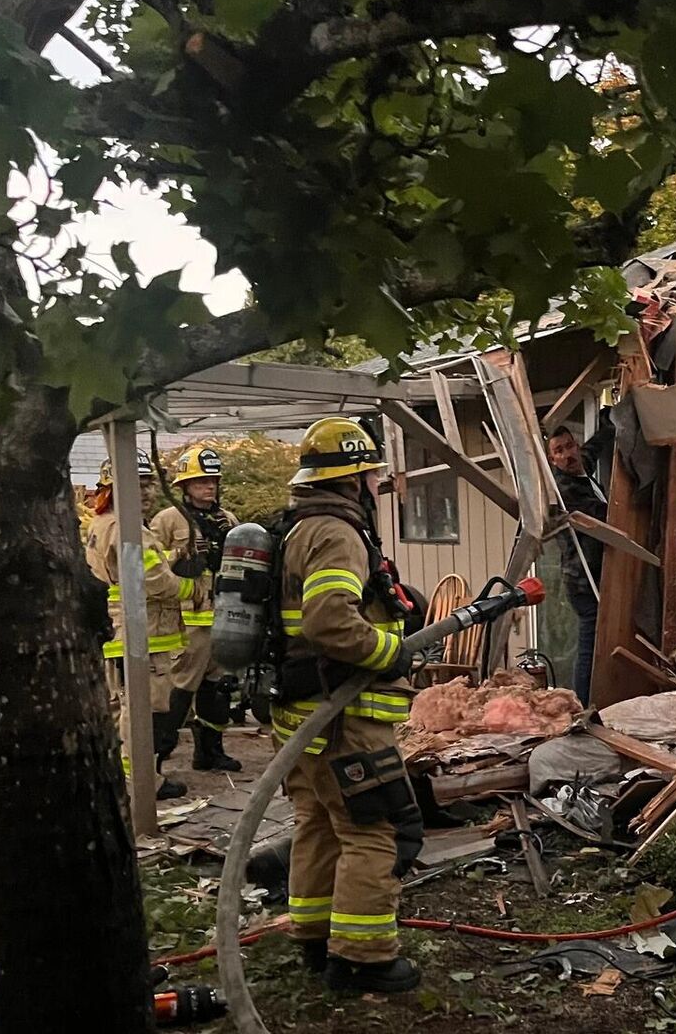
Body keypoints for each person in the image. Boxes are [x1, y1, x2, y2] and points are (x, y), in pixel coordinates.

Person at [271, 417, 424, 993]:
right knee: (372, 827)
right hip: (343, 715)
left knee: (319, 823)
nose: (375, 487)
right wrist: (392, 652)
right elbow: (332, 622)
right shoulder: (336, 533)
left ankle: (315, 938)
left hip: (302, 711)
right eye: (372, 477)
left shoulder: (296, 527)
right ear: (355, 478)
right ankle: (363, 958)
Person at [84, 450, 198, 800]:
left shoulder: (101, 524)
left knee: (119, 708)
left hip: (114, 629)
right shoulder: (130, 529)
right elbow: (156, 581)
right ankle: (144, 783)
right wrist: (194, 588)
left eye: (148, 483)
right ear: (112, 488)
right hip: (142, 633)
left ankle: (117, 773)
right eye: (137, 484)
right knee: (142, 712)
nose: (146, 492)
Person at [150, 447, 243, 772]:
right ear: (184, 486)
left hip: (222, 617)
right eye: (201, 481)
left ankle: (209, 753)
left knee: (217, 689)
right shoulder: (167, 520)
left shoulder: (228, 519)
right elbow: (152, 566)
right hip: (186, 623)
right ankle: (157, 761)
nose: (209, 487)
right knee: (177, 691)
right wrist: (183, 554)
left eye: (213, 480)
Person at [547, 423, 611, 704]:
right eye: (559, 452)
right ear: (552, 460)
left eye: (570, 446)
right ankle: (583, 703)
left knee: (599, 640)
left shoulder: (581, 464)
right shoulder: (564, 489)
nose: (567, 455)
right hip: (583, 580)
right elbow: (603, 514)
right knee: (589, 645)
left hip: (598, 573)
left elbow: (595, 446)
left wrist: (610, 418)